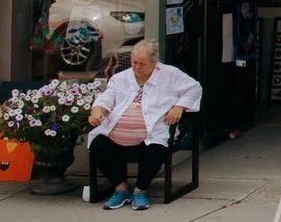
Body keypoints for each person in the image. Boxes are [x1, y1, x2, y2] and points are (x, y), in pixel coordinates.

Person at [84, 41, 201, 211]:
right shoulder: (121, 78)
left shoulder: (170, 74)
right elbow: (105, 98)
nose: (137, 67)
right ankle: (121, 188)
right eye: (134, 63)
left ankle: (140, 190)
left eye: (142, 64)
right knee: (97, 145)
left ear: (154, 62)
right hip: (115, 133)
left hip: (151, 131)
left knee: (155, 148)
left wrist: (179, 107)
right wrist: (97, 111)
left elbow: (194, 88)